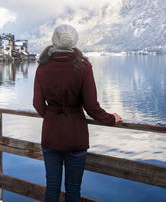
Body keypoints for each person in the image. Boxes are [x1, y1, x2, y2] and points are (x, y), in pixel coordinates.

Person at [33, 24, 122, 202]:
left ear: (54, 41)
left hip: (51, 136)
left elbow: (37, 104)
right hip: (76, 137)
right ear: (74, 42)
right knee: (73, 190)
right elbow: (91, 107)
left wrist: (52, 117)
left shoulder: (42, 67)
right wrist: (111, 119)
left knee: (52, 187)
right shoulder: (83, 67)